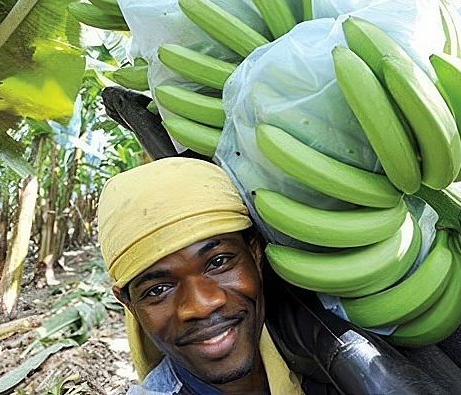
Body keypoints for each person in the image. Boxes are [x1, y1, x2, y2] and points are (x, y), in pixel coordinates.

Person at [97, 156, 305, 395]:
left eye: (218, 262)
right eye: (157, 290)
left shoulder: (325, 356)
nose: (201, 306)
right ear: (130, 305)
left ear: (255, 254)